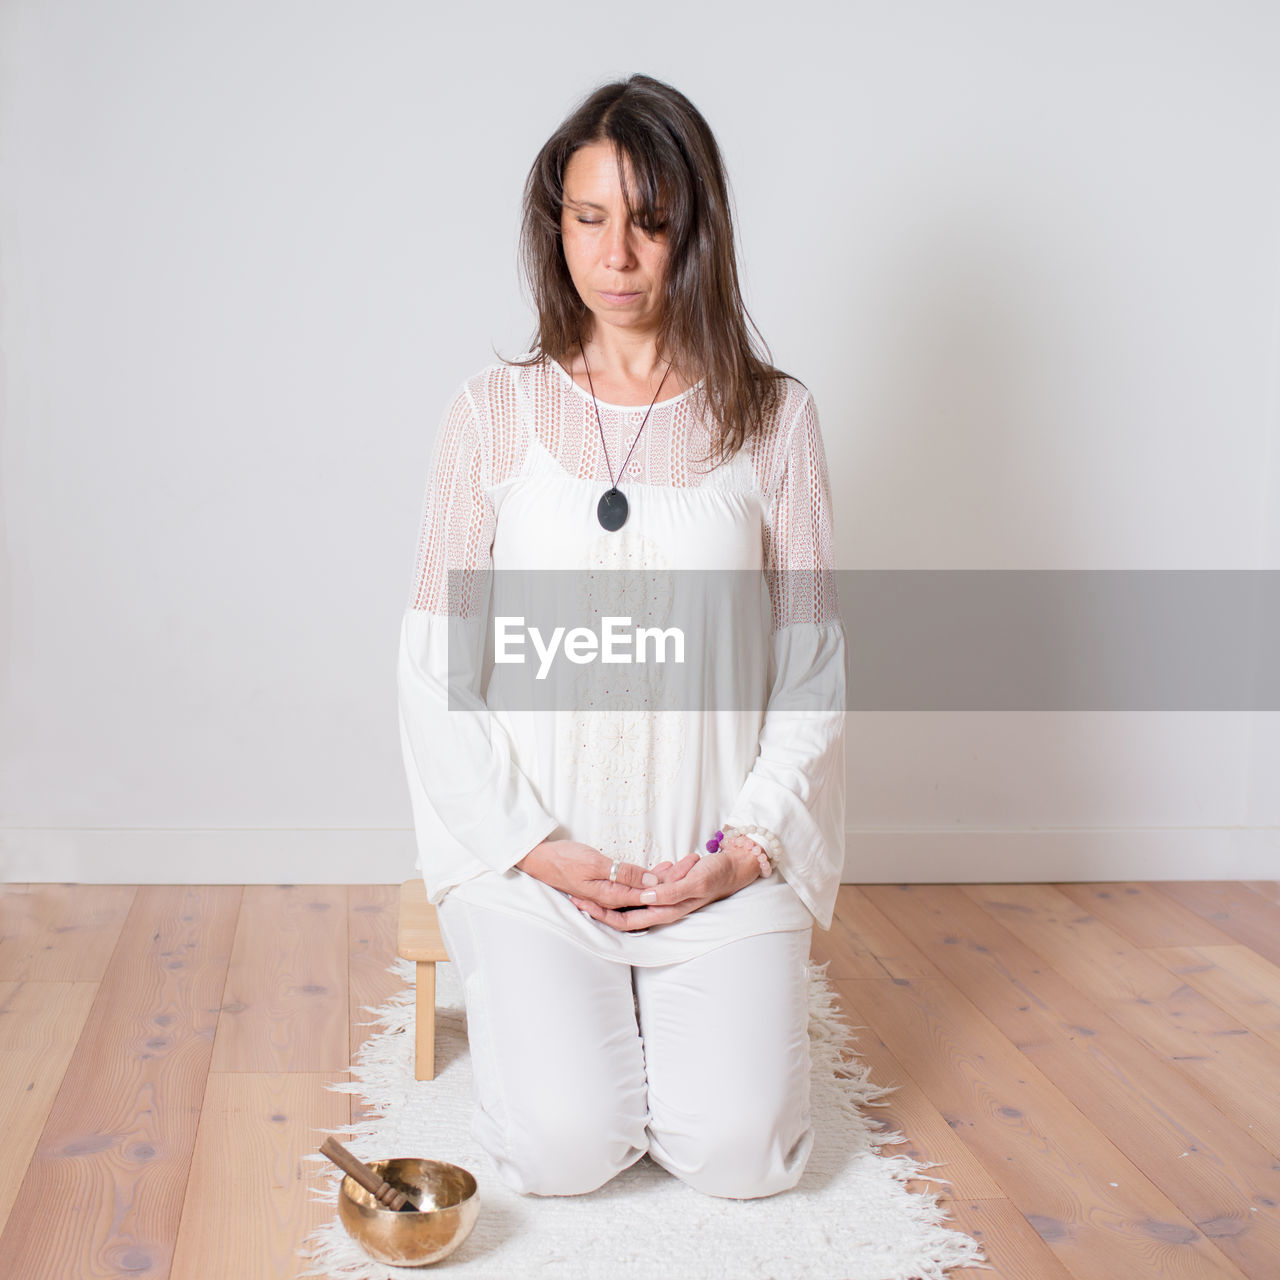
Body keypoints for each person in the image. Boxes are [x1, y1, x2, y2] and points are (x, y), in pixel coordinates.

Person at [397, 74, 846, 1201]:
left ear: (696, 231)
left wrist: (743, 850)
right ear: (554, 225)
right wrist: (532, 846)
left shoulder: (777, 419)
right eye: (589, 218)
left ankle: (671, 1008)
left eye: (650, 221)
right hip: (540, 869)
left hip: (715, 871)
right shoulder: (489, 415)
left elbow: (810, 671)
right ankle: (579, 1014)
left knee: (743, 1154)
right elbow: (434, 669)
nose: (617, 255)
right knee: (565, 1148)